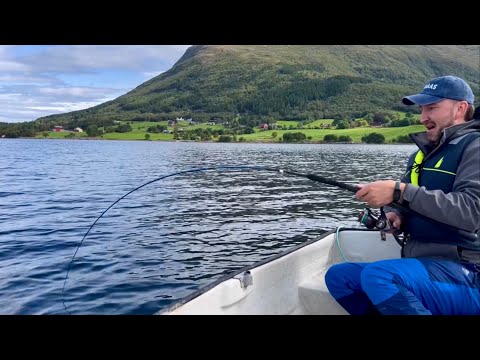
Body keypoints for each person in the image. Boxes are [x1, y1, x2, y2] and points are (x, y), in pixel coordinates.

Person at [325, 75, 480, 315]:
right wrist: (395, 213)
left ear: (460, 108)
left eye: (432, 108)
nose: (423, 117)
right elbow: (410, 201)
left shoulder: (475, 147)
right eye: (422, 109)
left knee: (380, 277)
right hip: (423, 265)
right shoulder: (420, 156)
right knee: (340, 277)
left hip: (469, 272)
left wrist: (398, 190)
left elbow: (471, 212)